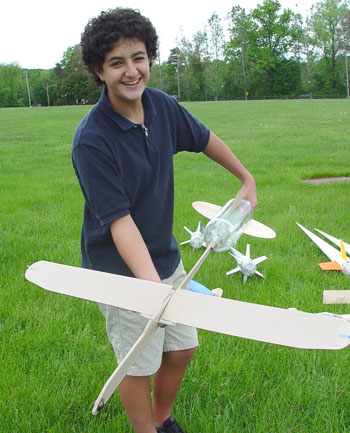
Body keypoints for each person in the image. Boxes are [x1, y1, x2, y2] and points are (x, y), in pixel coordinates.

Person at [72, 7, 257, 433]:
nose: (131, 71)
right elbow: (120, 223)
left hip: (166, 256)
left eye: (138, 57)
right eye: (116, 62)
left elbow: (204, 138)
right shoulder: (92, 140)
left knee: (181, 348)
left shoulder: (160, 107)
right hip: (122, 271)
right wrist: (151, 291)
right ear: (99, 70)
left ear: (150, 58)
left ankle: (161, 419)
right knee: (137, 362)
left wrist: (245, 179)